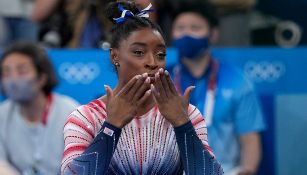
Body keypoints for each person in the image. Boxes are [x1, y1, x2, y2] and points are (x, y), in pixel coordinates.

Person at [61, 1, 223, 175]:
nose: (153, 63)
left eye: (160, 54)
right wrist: (112, 125)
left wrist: (182, 125)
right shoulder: (86, 117)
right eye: (138, 52)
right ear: (115, 56)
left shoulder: (186, 114)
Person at [170, 1, 266, 175]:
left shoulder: (238, 81)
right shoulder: (161, 80)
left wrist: (247, 170)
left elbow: (250, 141)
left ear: (213, 34)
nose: (186, 34)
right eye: (180, 28)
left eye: (195, 28)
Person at [0, 41, 79, 175]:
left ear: (42, 78)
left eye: (22, 71)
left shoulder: (71, 112)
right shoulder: (2, 113)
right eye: (6, 73)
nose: (13, 80)